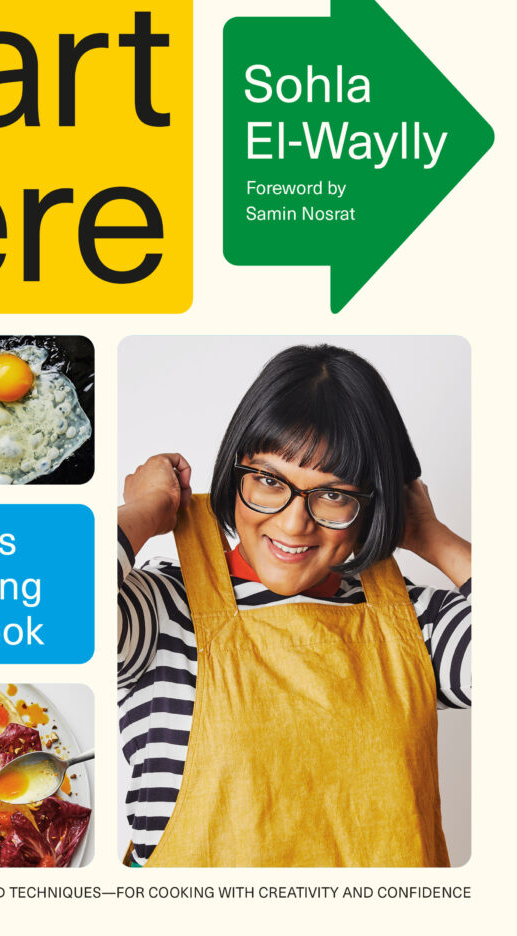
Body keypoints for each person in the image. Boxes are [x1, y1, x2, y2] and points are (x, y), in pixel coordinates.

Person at [118, 344, 471, 867]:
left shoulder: (416, 629)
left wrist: (435, 538)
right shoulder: (163, 609)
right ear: (233, 473)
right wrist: (145, 511)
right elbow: (48, 601)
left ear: (373, 504)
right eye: (267, 480)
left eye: (333, 494)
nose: (292, 524)